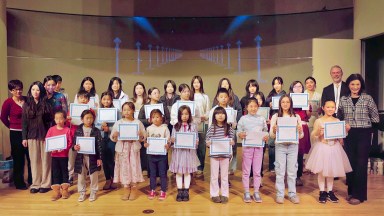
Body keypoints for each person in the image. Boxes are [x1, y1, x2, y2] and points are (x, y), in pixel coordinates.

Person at [338, 74, 379, 205]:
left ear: (361, 85)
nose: (355, 87)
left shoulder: (368, 98)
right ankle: (351, 192)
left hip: (364, 133)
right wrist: (344, 125)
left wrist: (370, 132)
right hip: (349, 134)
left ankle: (359, 195)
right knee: (350, 163)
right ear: (348, 85)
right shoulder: (343, 99)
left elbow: (375, 118)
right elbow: (339, 117)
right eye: (352, 84)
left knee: (361, 164)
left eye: (357, 84)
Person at [305, 100, 352, 203]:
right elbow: (313, 135)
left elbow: (341, 138)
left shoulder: (337, 120)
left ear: (335, 109)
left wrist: (346, 131)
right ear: (323, 108)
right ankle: (322, 191)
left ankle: (330, 191)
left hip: (334, 147)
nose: (330, 109)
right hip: (323, 147)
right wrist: (319, 132)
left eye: (332, 107)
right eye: (328, 107)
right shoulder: (319, 120)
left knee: (331, 171)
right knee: (322, 172)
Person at [270, 94, 304, 204]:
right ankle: (280, 194)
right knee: (280, 171)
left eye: (287, 102)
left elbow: (301, 135)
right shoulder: (275, 117)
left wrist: (300, 130)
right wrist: (275, 130)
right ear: (280, 104)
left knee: (292, 171)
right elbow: (271, 135)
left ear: (291, 104)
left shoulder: (296, 116)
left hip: (293, 146)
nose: (285, 104)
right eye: (283, 102)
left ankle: (292, 194)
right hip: (280, 146)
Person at [110, 102, 146, 201]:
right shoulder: (119, 122)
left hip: (133, 148)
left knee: (133, 167)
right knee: (124, 167)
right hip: (122, 148)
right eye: (124, 109)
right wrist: (115, 135)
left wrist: (141, 135)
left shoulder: (137, 122)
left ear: (133, 110)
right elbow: (112, 136)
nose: (127, 112)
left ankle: (134, 188)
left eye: (129, 109)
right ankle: (126, 188)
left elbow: (143, 136)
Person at [22, 81, 53, 194]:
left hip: (45, 135)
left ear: (41, 91)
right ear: (30, 91)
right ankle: (35, 184)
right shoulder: (26, 104)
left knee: (46, 160)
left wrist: (51, 136)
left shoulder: (47, 104)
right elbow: (24, 123)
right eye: (33, 89)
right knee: (34, 161)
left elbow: (50, 122)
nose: (35, 92)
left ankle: (46, 184)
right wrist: (24, 138)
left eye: (38, 90)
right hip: (31, 136)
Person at [0, 80, 32, 190]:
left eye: (20, 89)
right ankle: (19, 182)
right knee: (18, 158)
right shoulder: (8, 102)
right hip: (15, 133)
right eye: (15, 90)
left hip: (28, 132)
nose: (18, 91)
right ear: (11, 91)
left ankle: (32, 180)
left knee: (30, 157)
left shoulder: (27, 100)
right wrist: (12, 126)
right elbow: (3, 117)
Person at [237, 98, 269, 203]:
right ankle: (246, 191)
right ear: (246, 107)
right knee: (246, 171)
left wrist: (266, 136)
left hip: (259, 148)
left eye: (255, 106)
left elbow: (266, 132)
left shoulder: (261, 119)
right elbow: (239, 131)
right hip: (247, 148)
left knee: (257, 171)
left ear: (258, 107)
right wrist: (240, 134)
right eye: (251, 106)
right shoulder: (243, 119)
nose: (253, 108)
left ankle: (256, 192)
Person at [212, 78, 241, 175]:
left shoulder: (231, 109)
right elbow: (211, 124)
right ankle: (218, 175)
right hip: (217, 136)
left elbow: (233, 123)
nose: (225, 86)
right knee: (217, 156)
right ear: (217, 97)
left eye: (226, 84)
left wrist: (234, 124)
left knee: (229, 155)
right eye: (223, 84)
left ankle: (227, 172)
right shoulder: (214, 109)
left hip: (228, 136)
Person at [170, 105, 199, 201]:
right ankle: (179, 191)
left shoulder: (193, 126)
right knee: (179, 172)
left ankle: (186, 191)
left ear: (190, 115)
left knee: (187, 172)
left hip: (188, 153)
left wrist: (196, 141)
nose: (184, 116)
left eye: (186, 114)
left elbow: (196, 138)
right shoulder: (176, 126)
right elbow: (172, 139)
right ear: (179, 115)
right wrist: (172, 140)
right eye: (182, 114)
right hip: (178, 153)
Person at [206, 106, 235, 204]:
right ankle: (214, 194)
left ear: (225, 115)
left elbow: (232, 140)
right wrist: (208, 143)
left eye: (222, 113)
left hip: (225, 156)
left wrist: (232, 142)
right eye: (218, 113)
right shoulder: (211, 128)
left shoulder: (229, 127)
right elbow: (207, 140)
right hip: (214, 156)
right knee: (214, 176)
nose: (220, 115)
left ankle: (225, 194)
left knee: (224, 176)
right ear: (214, 116)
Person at [73, 109, 103, 202]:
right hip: (81, 156)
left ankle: (93, 191)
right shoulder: (78, 130)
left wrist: (99, 158)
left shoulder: (96, 131)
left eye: (91, 118)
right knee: (81, 175)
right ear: (82, 119)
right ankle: (82, 192)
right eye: (87, 118)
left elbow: (99, 145)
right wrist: (75, 147)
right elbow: (74, 144)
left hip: (92, 157)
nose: (89, 120)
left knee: (93, 175)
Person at [45, 110, 72, 201]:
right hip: (54, 155)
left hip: (64, 155)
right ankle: (56, 191)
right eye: (57, 118)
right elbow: (47, 140)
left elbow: (70, 142)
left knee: (64, 171)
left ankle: (65, 190)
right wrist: (51, 148)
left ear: (65, 119)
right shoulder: (51, 129)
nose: (59, 120)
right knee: (55, 172)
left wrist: (64, 148)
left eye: (61, 118)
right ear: (54, 119)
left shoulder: (67, 130)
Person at [144, 109, 171, 200]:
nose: (155, 119)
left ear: (161, 118)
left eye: (157, 117)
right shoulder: (148, 129)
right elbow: (145, 140)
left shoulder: (165, 128)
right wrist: (145, 144)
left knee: (163, 174)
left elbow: (168, 140)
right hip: (151, 155)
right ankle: (152, 189)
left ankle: (163, 191)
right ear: (150, 119)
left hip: (162, 156)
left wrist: (168, 145)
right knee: (152, 174)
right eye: (153, 117)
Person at [289, 81, 311, 186]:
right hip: (291, 127)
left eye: (300, 87)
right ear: (292, 89)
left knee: (300, 153)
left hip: (302, 127)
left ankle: (298, 176)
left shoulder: (305, 100)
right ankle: (289, 175)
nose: (298, 88)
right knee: (290, 152)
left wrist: (306, 107)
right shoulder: (288, 100)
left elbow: (308, 116)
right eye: (295, 87)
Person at [66, 90, 91, 185]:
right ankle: (70, 175)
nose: (83, 100)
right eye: (81, 98)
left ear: (88, 100)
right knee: (72, 156)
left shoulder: (90, 111)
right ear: (78, 98)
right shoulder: (71, 109)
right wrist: (68, 120)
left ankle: (85, 176)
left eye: (85, 98)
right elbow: (68, 123)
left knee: (85, 158)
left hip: (85, 136)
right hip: (73, 135)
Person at [97, 91, 118, 190]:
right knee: (104, 160)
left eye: (108, 99)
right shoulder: (99, 111)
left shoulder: (116, 111)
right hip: (102, 139)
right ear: (101, 100)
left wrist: (109, 129)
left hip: (111, 139)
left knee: (111, 160)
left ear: (111, 100)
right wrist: (101, 127)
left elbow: (118, 125)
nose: (106, 101)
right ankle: (107, 179)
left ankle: (114, 179)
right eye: (104, 99)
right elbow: (95, 125)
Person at [265, 77, 286, 172]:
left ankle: (281, 166)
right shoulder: (270, 96)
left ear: (282, 84)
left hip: (283, 119)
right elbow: (265, 110)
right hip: (272, 120)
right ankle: (272, 166)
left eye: (278, 83)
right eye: (275, 84)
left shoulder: (285, 95)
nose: (277, 85)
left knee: (282, 143)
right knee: (271, 143)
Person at [191, 76, 210, 176]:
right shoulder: (190, 96)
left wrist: (204, 117)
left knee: (201, 147)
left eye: (198, 82)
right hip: (191, 125)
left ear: (201, 84)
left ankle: (200, 167)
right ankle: (192, 167)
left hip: (202, 124)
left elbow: (208, 111)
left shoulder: (205, 96)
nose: (196, 84)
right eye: (194, 82)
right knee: (192, 146)